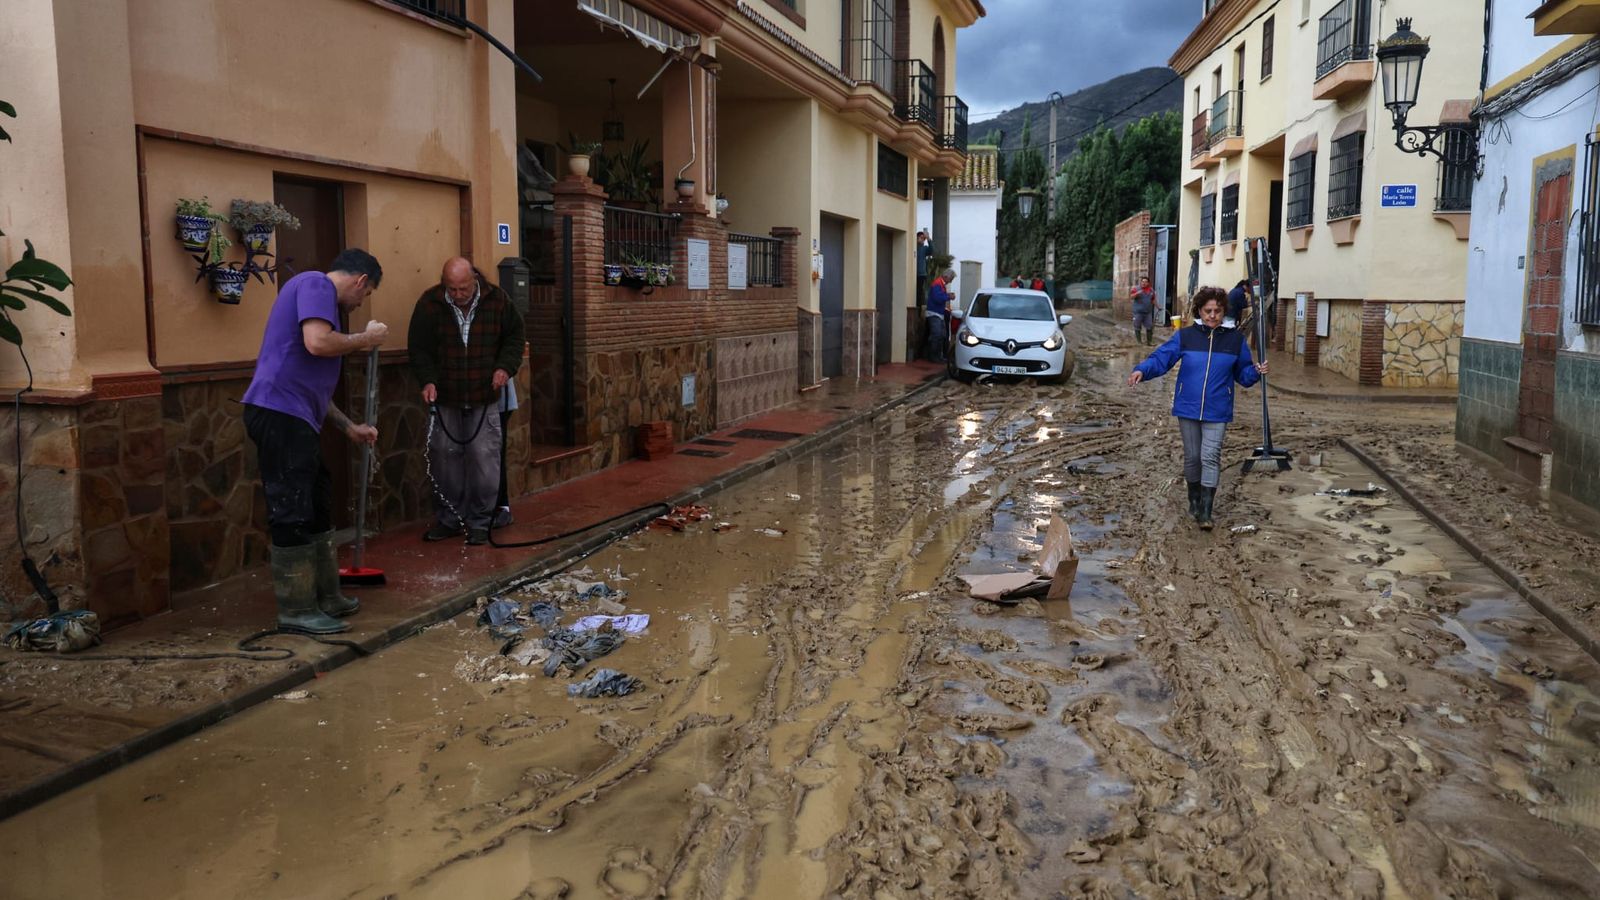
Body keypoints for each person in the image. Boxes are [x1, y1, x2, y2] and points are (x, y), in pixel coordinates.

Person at [242, 249, 387, 635]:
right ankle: (296, 608)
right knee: (292, 507)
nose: (359, 303)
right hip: (277, 413)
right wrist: (365, 338)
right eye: (365, 293)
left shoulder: (318, 295)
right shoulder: (315, 284)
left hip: (295, 414)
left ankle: (326, 595)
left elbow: (313, 389)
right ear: (360, 281)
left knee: (318, 500)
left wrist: (349, 428)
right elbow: (318, 343)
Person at [1126, 286, 1267, 530]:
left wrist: (1255, 371)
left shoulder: (1235, 340)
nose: (1213, 315)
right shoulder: (1186, 336)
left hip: (1218, 408)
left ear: (1224, 312)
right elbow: (1162, 358)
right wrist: (1142, 369)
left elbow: (1243, 376)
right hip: (1188, 407)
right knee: (1193, 458)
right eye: (1208, 311)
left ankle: (1205, 511)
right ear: (1199, 311)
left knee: (1210, 456)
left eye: (1218, 311)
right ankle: (1193, 498)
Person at [409, 257, 526, 546]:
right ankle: (450, 519)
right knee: (444, 459)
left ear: (474, 278)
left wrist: (504, 367)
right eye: (452, 289)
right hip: (445, 395)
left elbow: (515, 337)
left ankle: (480, 522)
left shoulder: (498, 300)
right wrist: (427, 380)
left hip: (483, 394)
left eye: (463, 288)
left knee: (484, 459)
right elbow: (419, 348)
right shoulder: (429, 303)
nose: (458, 295)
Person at [926, 268, 953, 363]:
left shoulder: (940, 284)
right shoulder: (937, 284)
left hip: (938, 313)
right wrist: (948, 296)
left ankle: (937, 356)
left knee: (941, 335)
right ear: (946, 277)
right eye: (951, 279)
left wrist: (947, 296)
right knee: (937, 335)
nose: (951, 281)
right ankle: (933, 356)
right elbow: (937, 298)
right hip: (934, 313)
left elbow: (938, 297)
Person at [1130, 275, 1157, 345]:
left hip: (1147, 312)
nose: (1144, 283)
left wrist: (1158, 306)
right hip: (1138, 312)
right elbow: (1131, 297)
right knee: (1137, 326)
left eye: (1145, 282)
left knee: (1149, 326)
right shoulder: (1136, 289)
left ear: (1148, 283)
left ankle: (1149, 342)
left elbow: (1153, 299)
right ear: (1140, 282)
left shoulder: (1151, 290)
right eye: (1142, 282)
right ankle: (1139, 342)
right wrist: (1137, 293)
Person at [915, 230, 932, 306]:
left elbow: (931, 250)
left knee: (920, 293)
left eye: (923, 238)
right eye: (921, 238)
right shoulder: (914, 247)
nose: (922, 240)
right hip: (913, 274)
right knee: (915, 293)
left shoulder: (924, 248)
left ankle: (919, 309)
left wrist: (928, 239)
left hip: (921, 274)